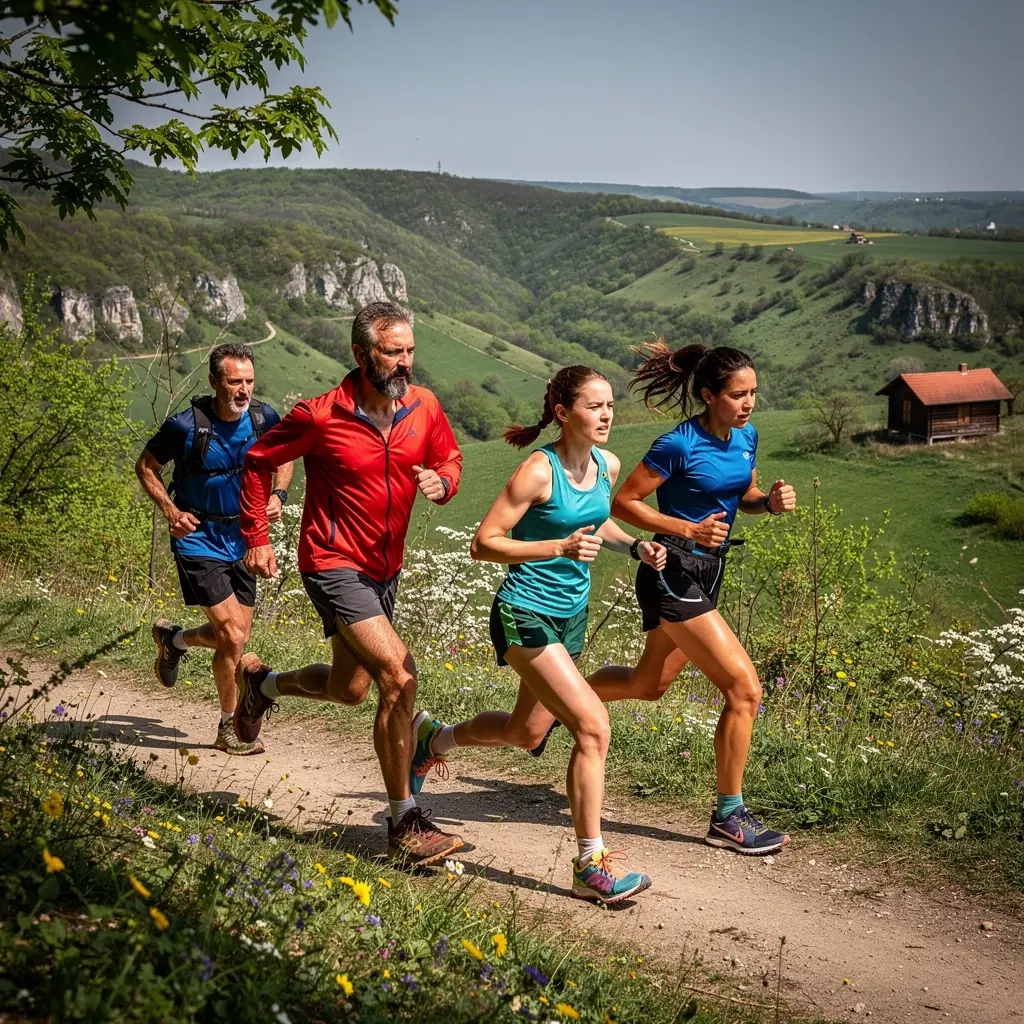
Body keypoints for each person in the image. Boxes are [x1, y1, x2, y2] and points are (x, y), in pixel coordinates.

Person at [409, 366, 666, 902]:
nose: (607, 415)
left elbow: (597, 521)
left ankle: (432, 739)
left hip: (571, 613)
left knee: (527, 733)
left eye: (610, 405)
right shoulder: (537, 471)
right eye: (594, 406)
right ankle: (590, 866)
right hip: (523, 610)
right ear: (563, 412)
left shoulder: (606, 464)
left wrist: (635, 547)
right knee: (593, 725)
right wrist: (557, 548)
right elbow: (484, 543)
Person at [233, 301, 465, 867]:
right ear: (361, 354)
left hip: (387, 566)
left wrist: (445, 481)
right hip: (332, 561)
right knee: (398, 674)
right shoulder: (319, 416)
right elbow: (257, 461)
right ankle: (404, 822)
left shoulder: (425, 406)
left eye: (410, 350)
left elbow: (450, 458)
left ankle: (261, 686)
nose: (405, 363)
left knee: (351, 689)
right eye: (392, 352)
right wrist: (256, 534)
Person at [602, 341, 797, 854]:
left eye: (753, 392)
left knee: (647, 685)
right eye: (737, 394)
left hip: (710, 572)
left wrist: (769, 504)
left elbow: (742, 497)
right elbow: (624, 501)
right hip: (671, 570)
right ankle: (729, 818)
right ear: (709, 395)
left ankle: (567, 699)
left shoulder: (746, 436)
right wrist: (686, 526)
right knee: (745, 689)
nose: (748, 403)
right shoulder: (678, 444)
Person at [137, 342, 293, 755]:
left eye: (249, 381)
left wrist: (278, 494)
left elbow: (286, 456)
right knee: (233, 635)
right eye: (234, 382)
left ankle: (175, 641)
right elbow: (146, 466)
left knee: (233, 641)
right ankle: (228, 726)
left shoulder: (264, 417)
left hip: (245, 538)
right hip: (198, 538)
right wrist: (170, 511)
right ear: (213, 382)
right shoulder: (185, 427)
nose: (243, 390)